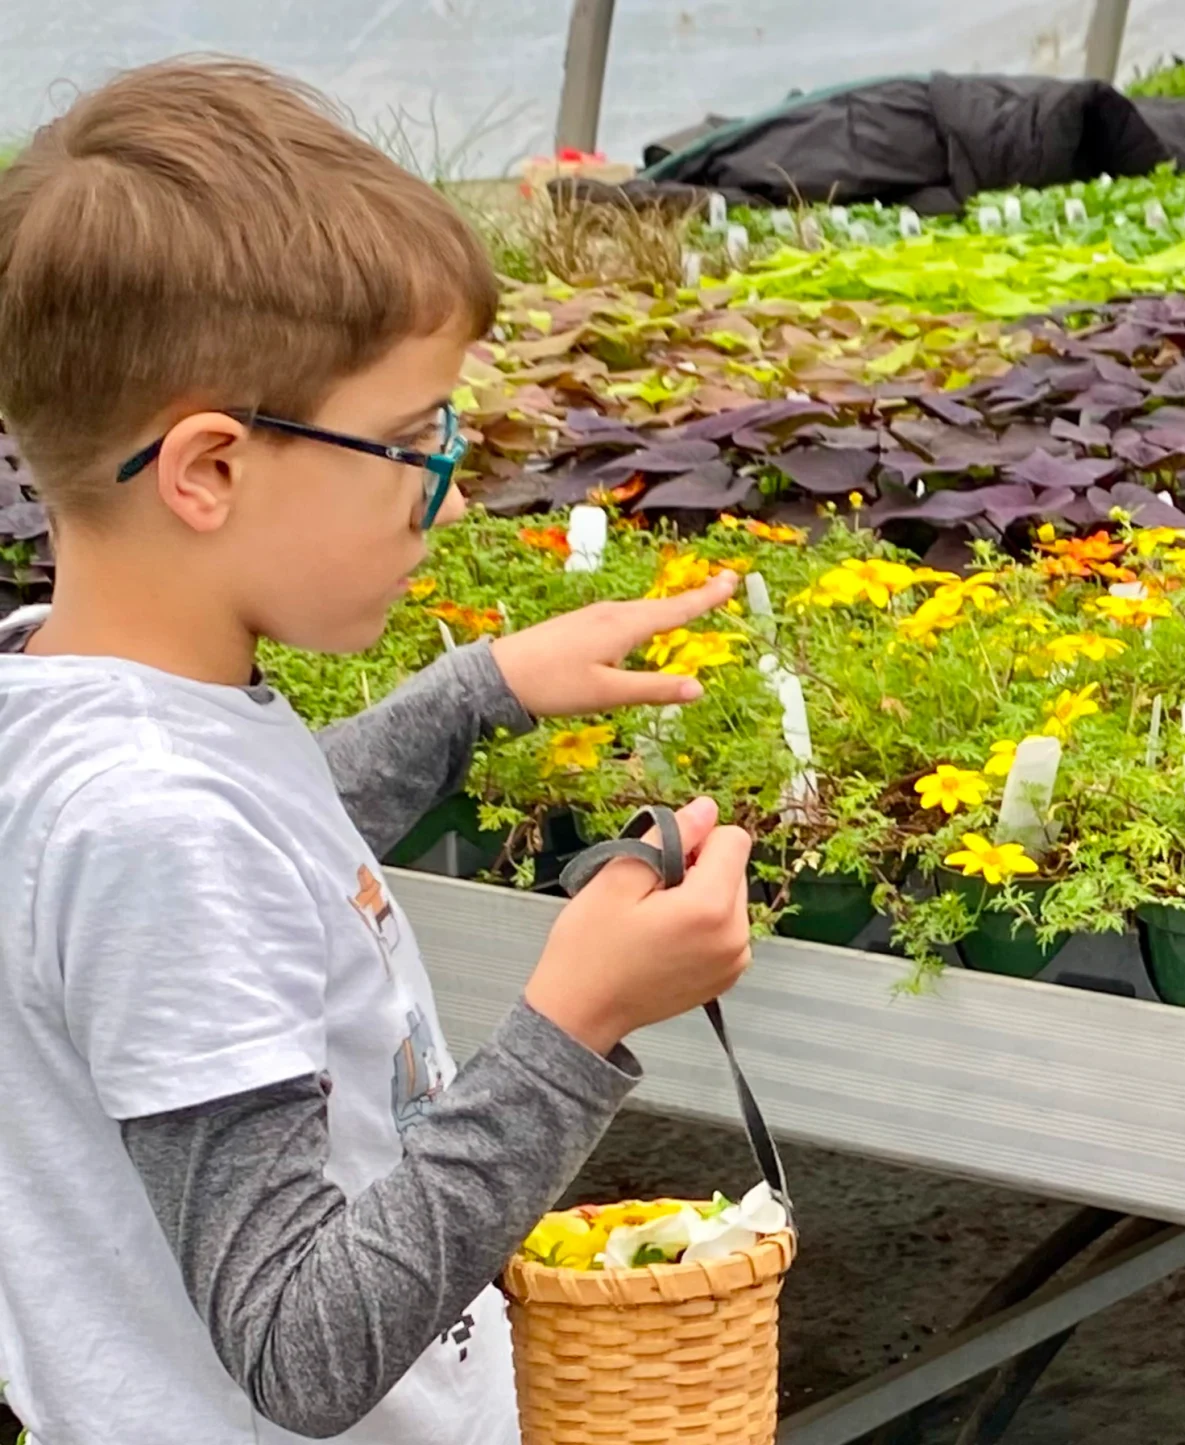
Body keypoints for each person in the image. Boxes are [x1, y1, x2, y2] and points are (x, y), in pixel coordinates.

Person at [0, 61, 758, 1444]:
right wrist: (573, 1026)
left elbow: (258, 872)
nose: (452, 483)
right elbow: (300, 1350)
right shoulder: (149, 822)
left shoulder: (75, 699)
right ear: (210, 470)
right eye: (413, 440)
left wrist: (475, 695)